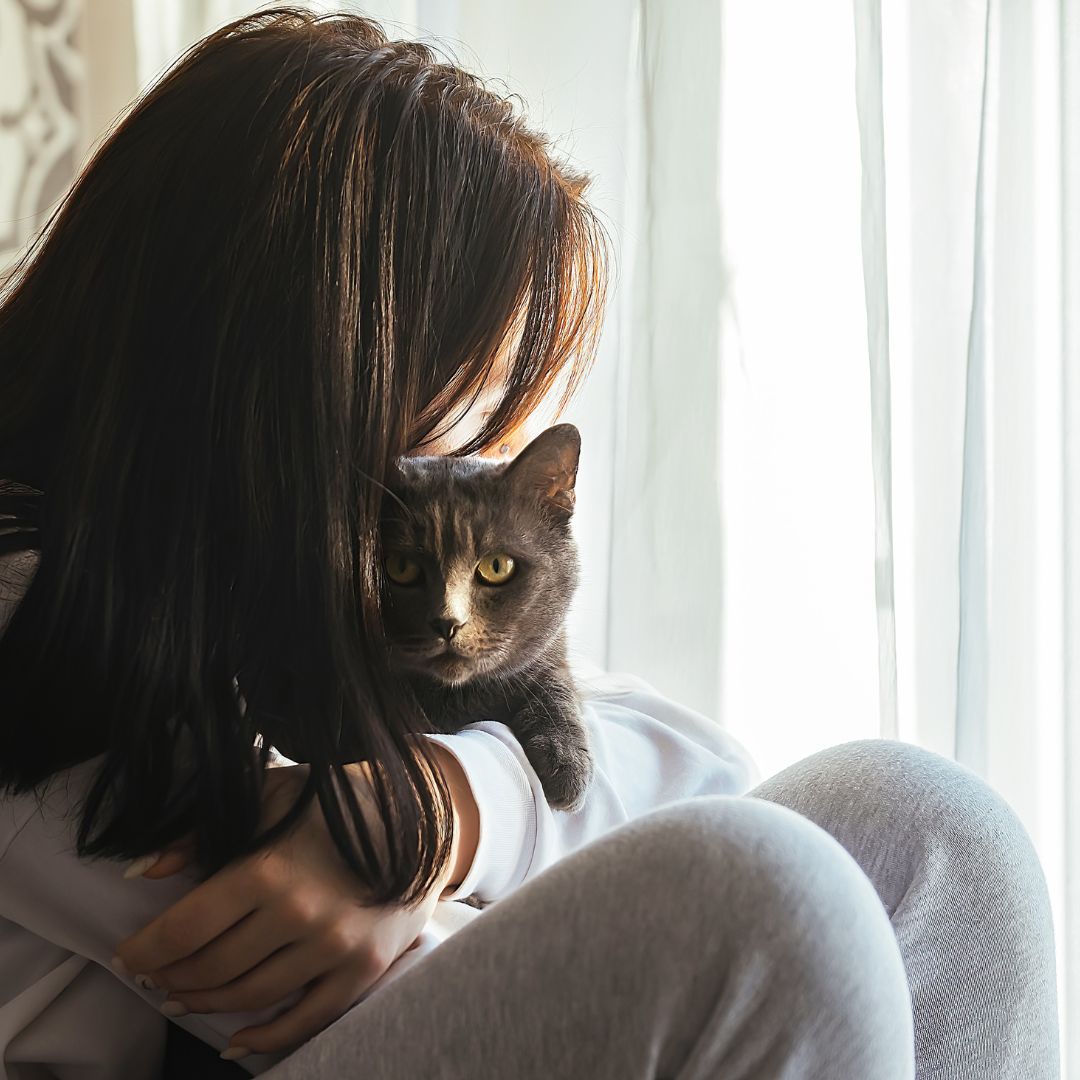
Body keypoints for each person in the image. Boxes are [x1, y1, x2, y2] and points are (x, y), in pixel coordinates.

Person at [0, 9, 1060, 1078]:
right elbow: (364, 985)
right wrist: (399, 855)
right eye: (447, 403)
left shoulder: (258, 571)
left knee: (933, 831)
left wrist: (453, 809)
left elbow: (705, 771)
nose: (450, 458)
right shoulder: (32, 609)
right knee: (772, 908)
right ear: (304, 363)